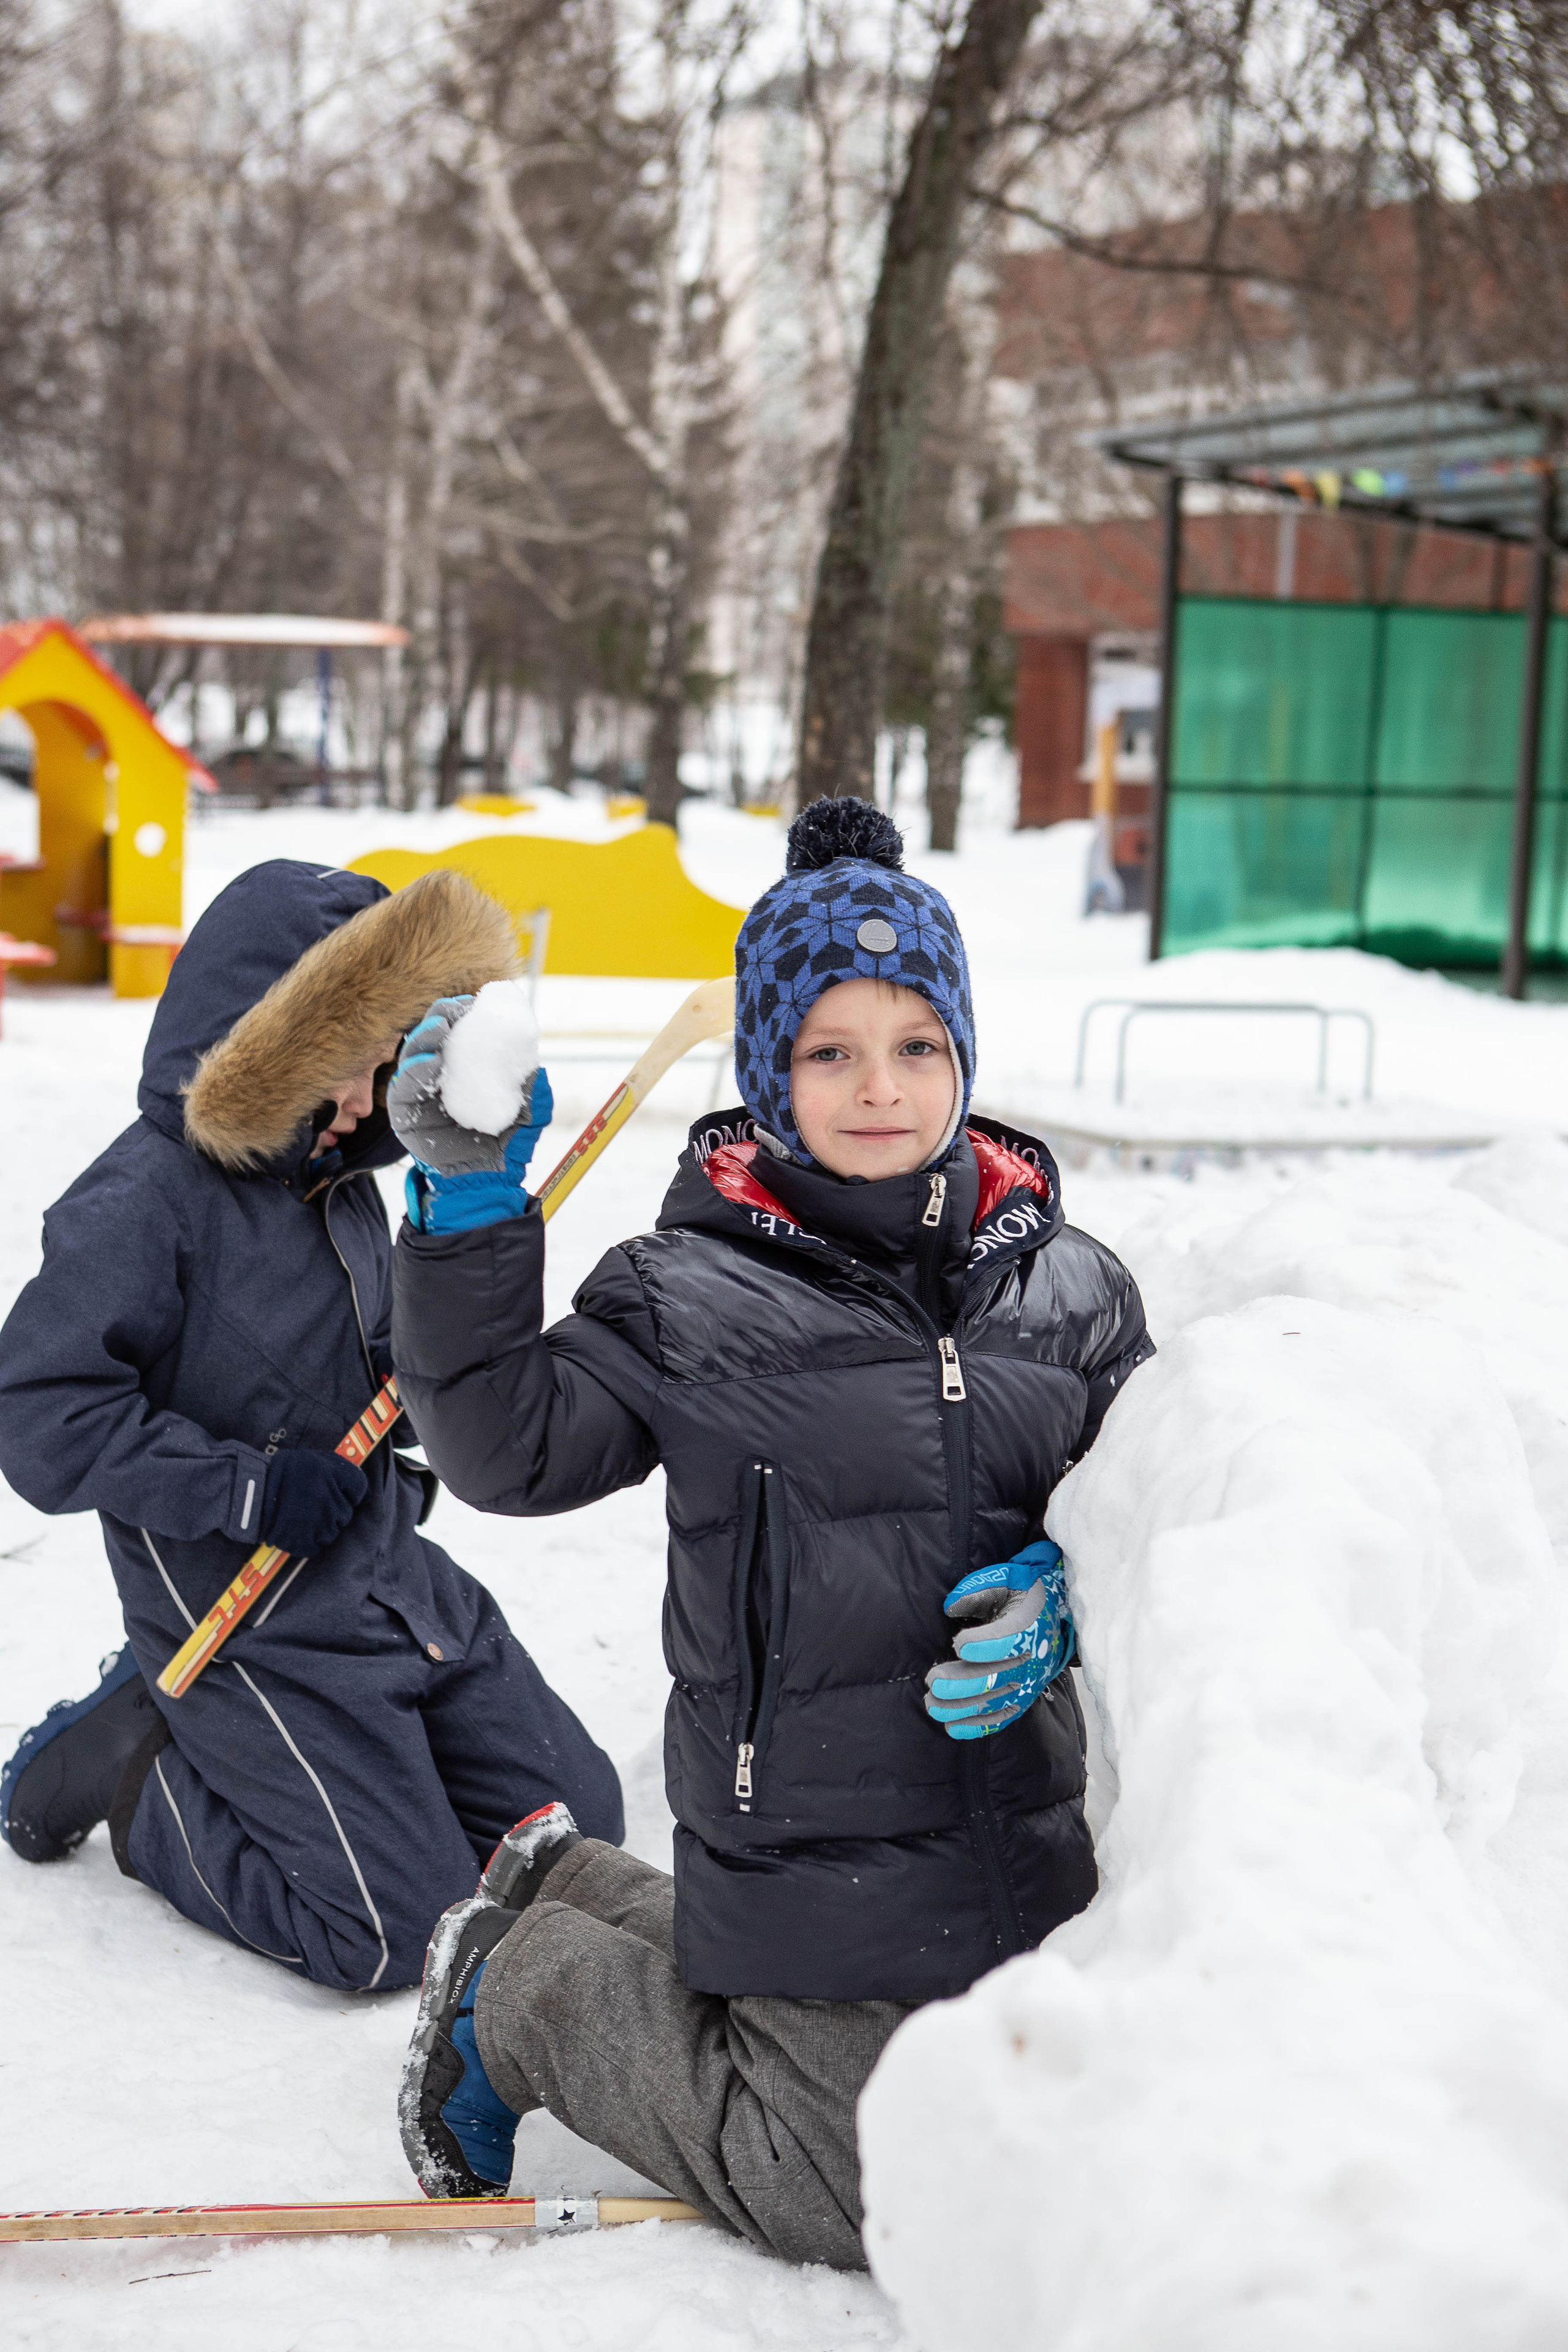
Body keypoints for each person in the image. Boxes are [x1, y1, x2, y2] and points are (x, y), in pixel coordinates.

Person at [387, 800, 1153, 2267]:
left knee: (1058, 2123)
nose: (881, 1090)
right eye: (829, 1052)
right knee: (850, 2191)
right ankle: (526, 1993)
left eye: (915, 1046)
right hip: (810, 1850)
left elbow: (1155, 1500)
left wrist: (1072, 1583)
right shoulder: (692, 1295)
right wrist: (472, 1208)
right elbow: (505, 1445)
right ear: (765, 1070)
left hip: (1020, 1836)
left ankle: (573, 1887)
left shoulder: (1067, 1290)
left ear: (964, 1055)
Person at [0, 860, 622, 1991]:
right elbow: (36, 1417)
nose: (358, 1100)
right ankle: (147, 1766)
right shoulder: (141, 1204)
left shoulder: (343, 1183)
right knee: (393, 1931)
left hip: (388, 1580)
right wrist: (243, 1486)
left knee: (575, 1833)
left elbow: (382, 1362)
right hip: (247, 1619)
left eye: (381, 1067)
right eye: (340, 1064)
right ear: (257, 1041)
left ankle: (351, 1772)